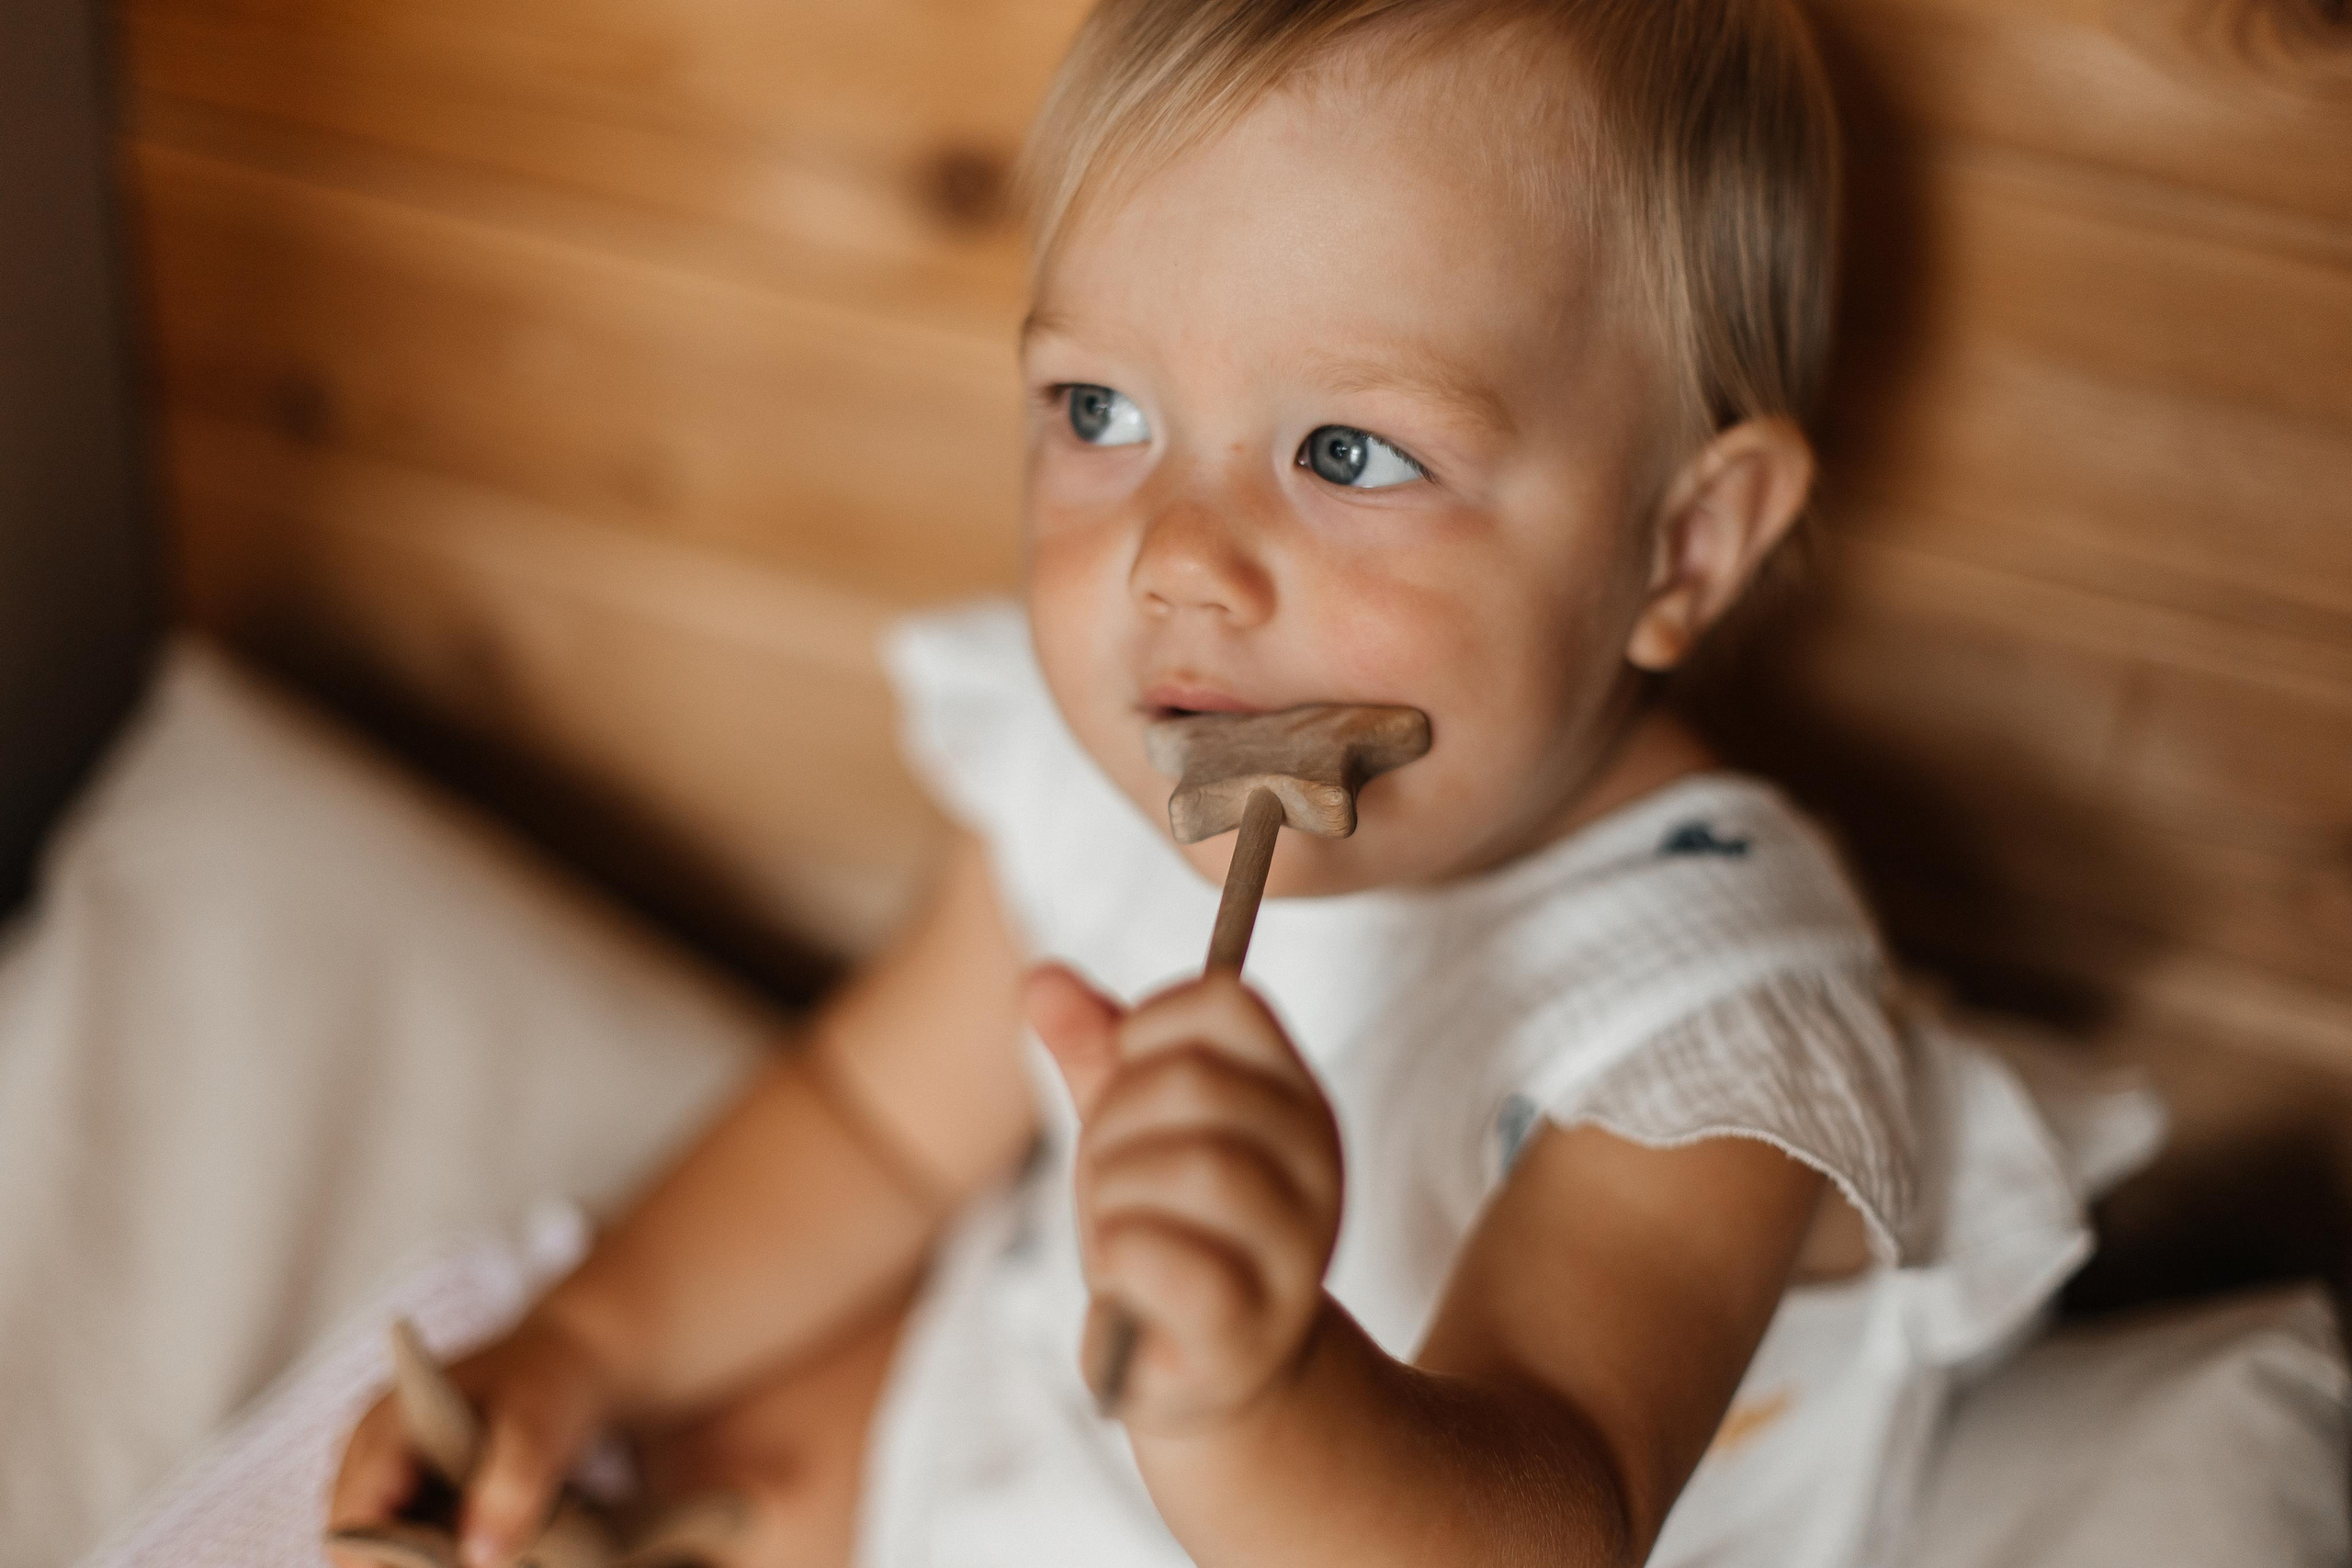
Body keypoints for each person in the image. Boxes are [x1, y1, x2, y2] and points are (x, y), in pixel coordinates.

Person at [331, 3, 2119, 1563]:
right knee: (746, 1438)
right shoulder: (1114, 766)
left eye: (1347, 450)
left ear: (1682, 539)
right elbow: (876, 1127)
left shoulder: (1705, 1006)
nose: (1174, 558)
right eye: (1096, 412)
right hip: (1028, 1445)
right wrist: (582, 1347)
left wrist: (1253, 1392)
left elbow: (1549, 1510)